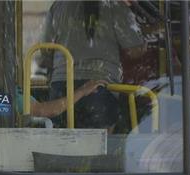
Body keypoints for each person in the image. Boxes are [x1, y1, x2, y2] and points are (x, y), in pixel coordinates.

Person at [40, 0, 146, 130]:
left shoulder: (58, 5)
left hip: (61, 88)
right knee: (100, 146)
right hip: (100, 87)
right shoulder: (115, 5)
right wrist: (147, 38)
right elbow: (134, 51)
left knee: (61, 146)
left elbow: (45, 51)